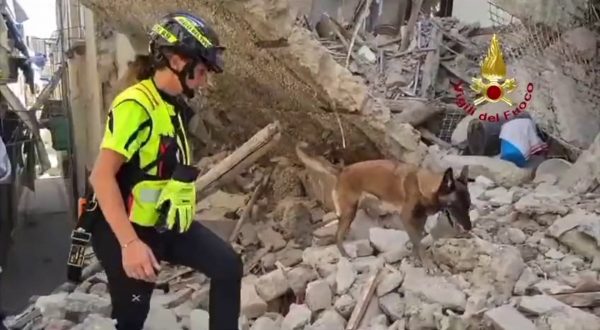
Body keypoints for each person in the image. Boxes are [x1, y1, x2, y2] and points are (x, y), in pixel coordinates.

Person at [88, 12, 242, 330]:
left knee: (227, 266)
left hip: (162, 222)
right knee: (131, 317)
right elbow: (101, 177)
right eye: (200, 71)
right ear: (175, 60)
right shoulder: (135, 106)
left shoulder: (173, 105)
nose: (205, 80)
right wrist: (130, 246)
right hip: (125, 231)